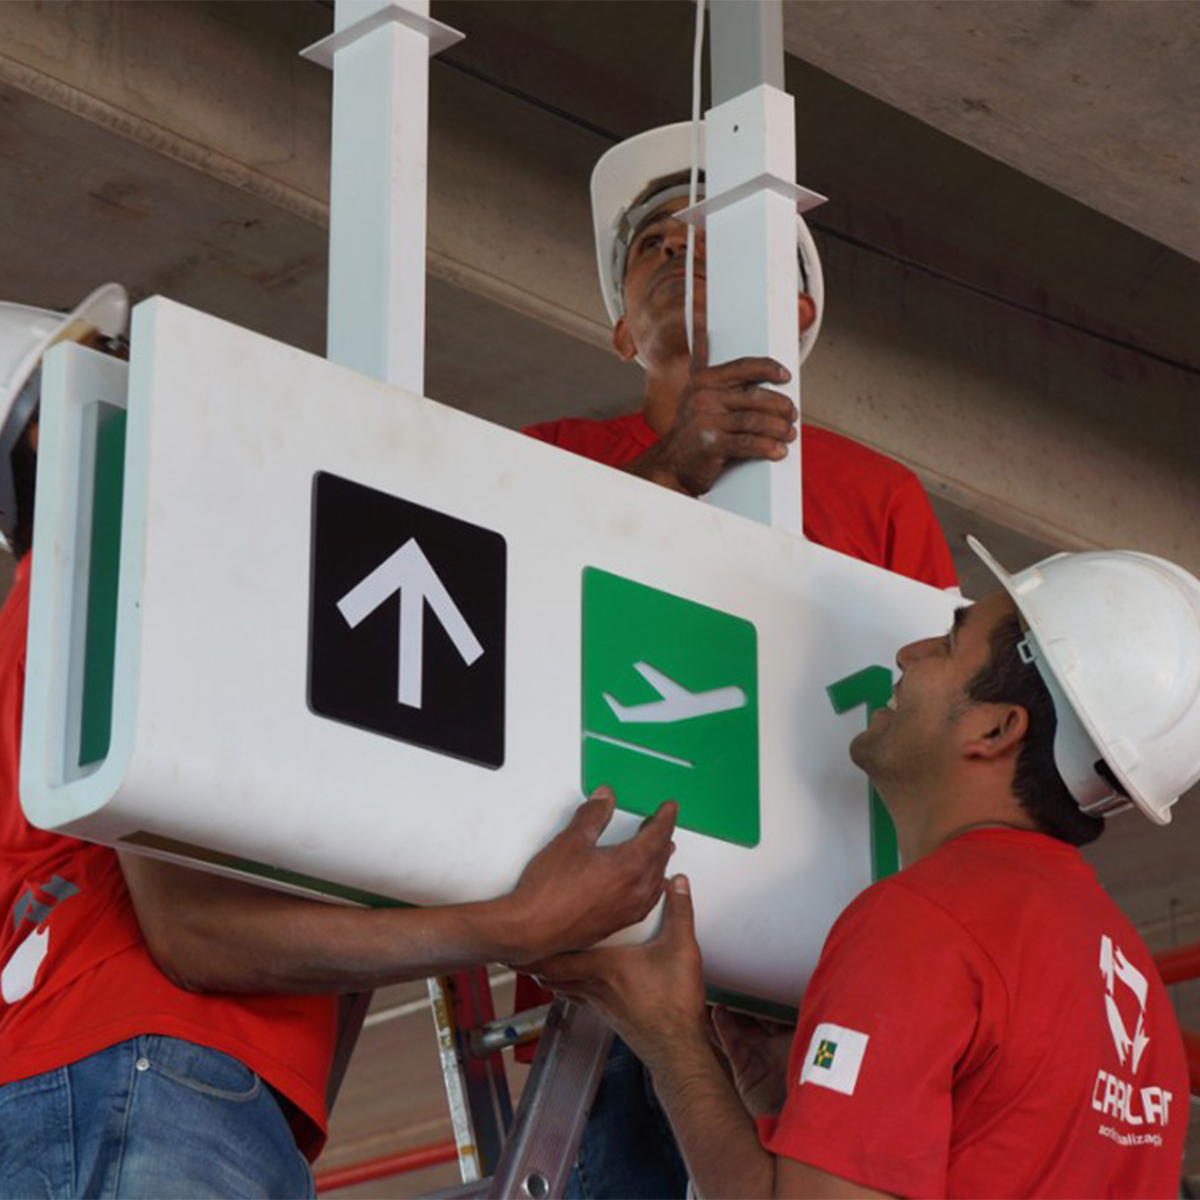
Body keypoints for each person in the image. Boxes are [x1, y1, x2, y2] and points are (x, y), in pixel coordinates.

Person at [0, 288, 678, 1195]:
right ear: (45, 430)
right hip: (146, 1072)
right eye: (117, 351)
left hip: (113, 1088)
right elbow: (189, 932)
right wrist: (508, 925)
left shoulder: (57, 613)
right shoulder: (127, 550)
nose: (154, 369)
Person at [515, 121, 958, 1198]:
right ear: (623, 329)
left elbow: (947, 739)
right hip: (616, 959)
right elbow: (509, 640)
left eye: (711, 238)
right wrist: (667, 471)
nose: (674, 250)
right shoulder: (550, 463)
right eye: (651, 246)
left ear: (798, 312)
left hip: (823, 982)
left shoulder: (881, 498)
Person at [531, 537, 1200, 1198]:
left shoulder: (926, 924)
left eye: (946, 644)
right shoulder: (1133, 985)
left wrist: (672, 1040)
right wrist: (783, 1107)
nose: (908, 654)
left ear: (996, 730)